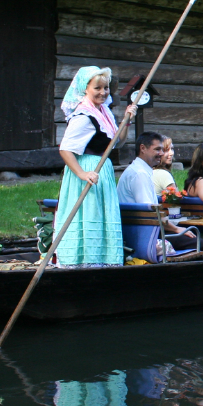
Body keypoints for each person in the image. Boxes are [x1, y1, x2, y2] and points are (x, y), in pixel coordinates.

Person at [55, 66, 135, 266]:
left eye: (106, 88)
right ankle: (82, 261)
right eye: (97, 88)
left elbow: (118, 142)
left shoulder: (104, 113)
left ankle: (102, 259)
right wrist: (82, 174)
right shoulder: (83, 116)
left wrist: (127, 121)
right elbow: (66, 149)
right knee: (89, 212)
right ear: (85, 89)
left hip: (102, 168)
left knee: (101, 213)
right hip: (88, 168)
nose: (103, 92)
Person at [117, 131, 197, 246]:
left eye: (162, 150)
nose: (161, 153)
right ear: (143, 148)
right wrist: (176, 229)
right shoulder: (140, 174)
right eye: (157, 149)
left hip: (136, 231)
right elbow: (150, 213)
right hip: (143, 236)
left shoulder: (137, 170)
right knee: (198, 242)